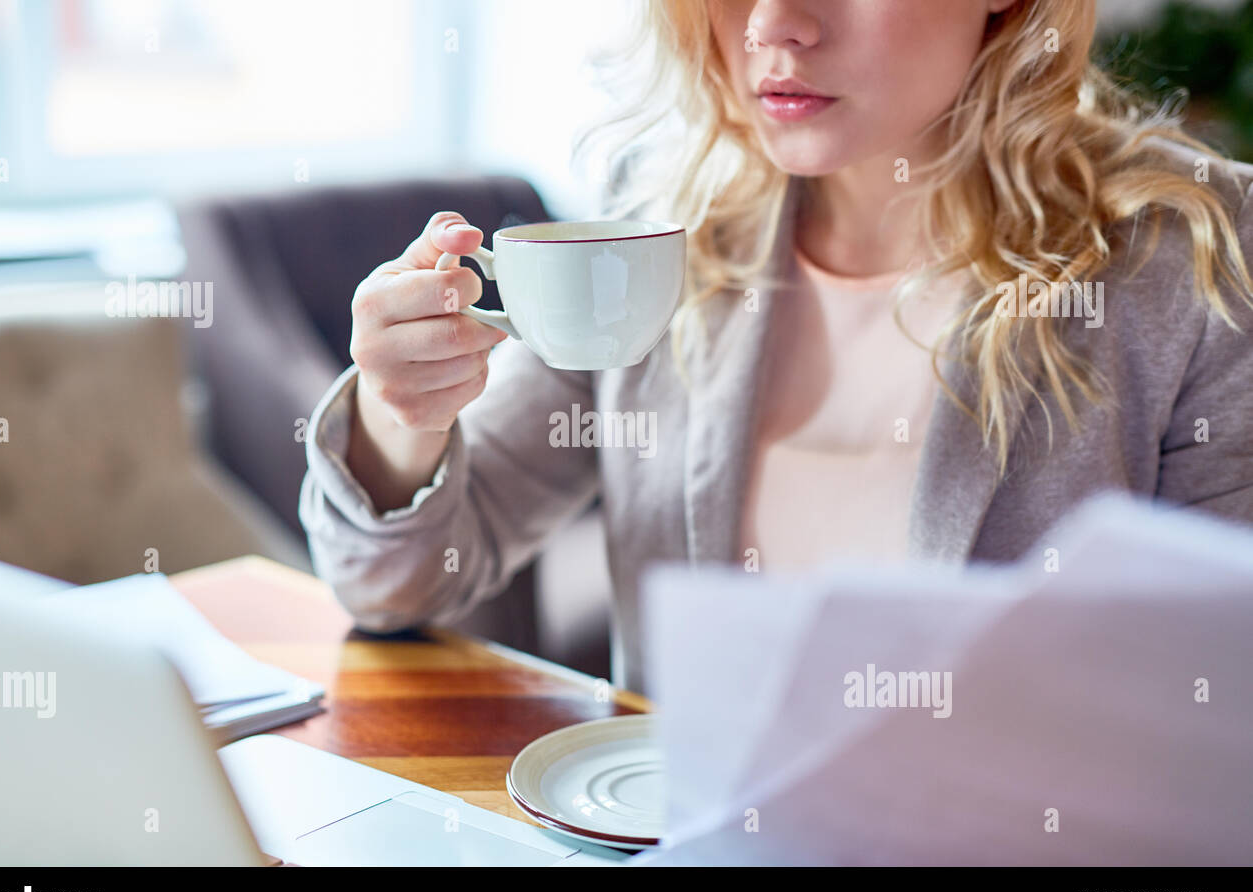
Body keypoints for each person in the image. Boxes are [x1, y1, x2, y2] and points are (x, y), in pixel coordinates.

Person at [299, 0, 1253, 694]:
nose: (773, 25)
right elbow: (391, 586)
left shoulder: (1193, 252)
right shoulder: (661, 226)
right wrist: (403, 413)